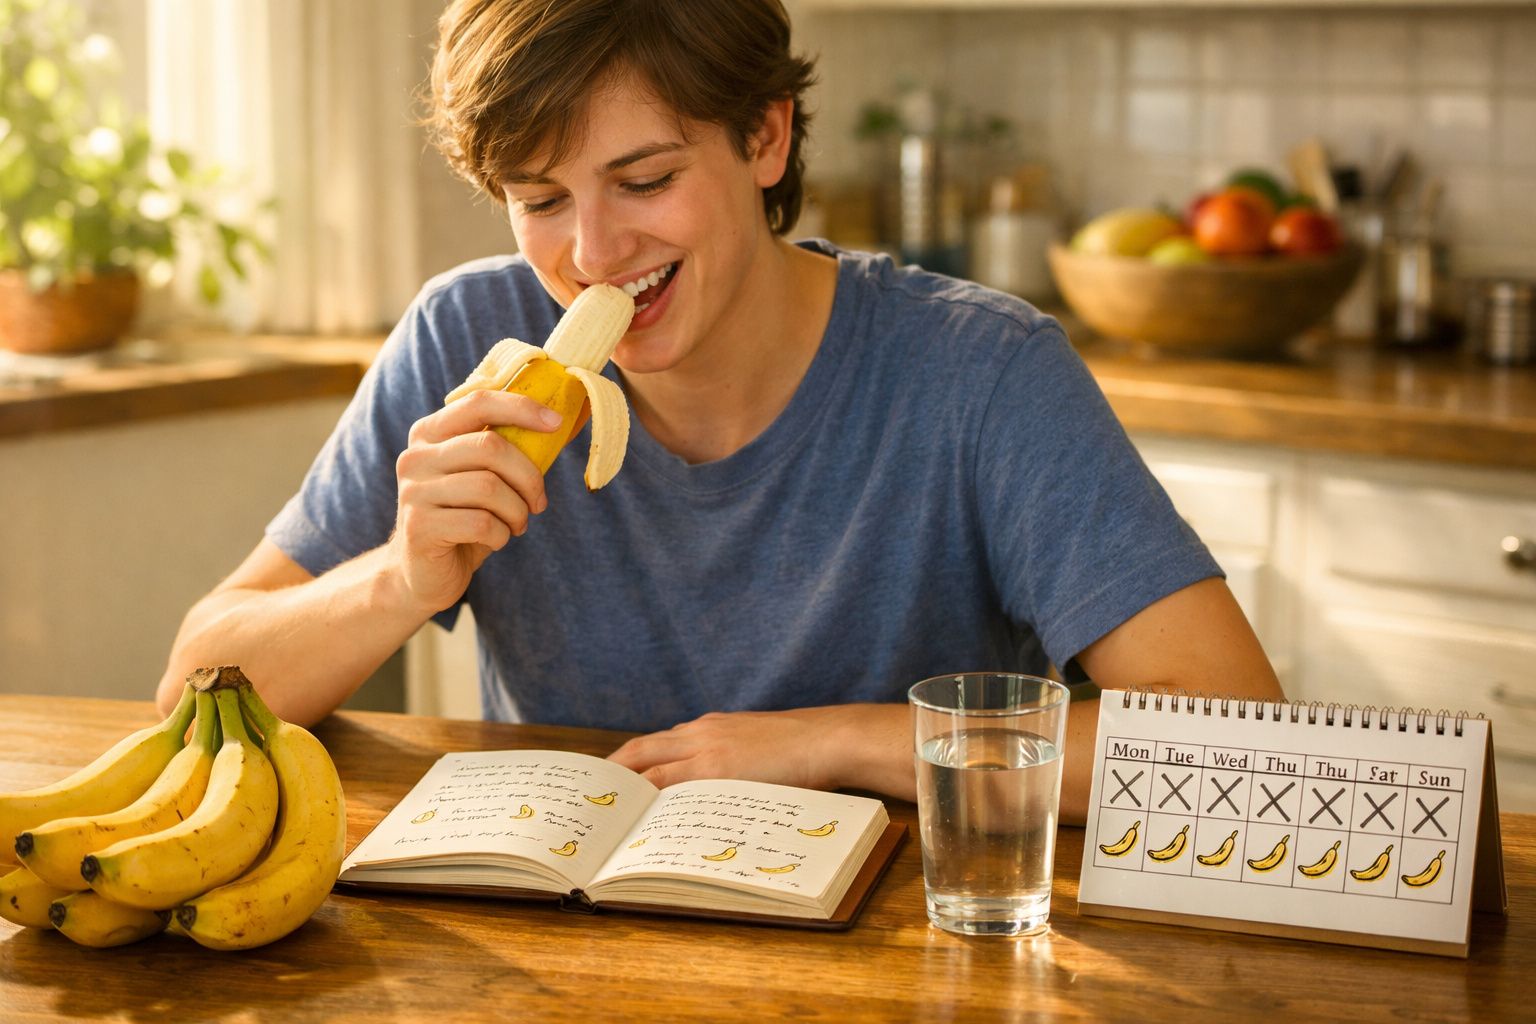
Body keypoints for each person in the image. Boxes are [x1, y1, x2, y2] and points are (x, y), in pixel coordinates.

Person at [155, 0, 1281, 824]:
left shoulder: (981, 371)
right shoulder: (468, 337)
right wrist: (399, 579)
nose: (592, 253)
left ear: (766, 138)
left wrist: (838, 742)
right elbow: (193, 691)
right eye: (540, 199)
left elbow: (1234, 742)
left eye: (645, 181)